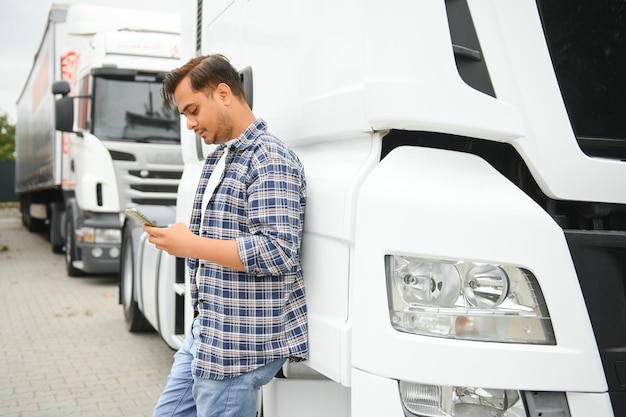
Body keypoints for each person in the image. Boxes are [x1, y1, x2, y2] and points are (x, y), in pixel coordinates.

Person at [144, 54, 308, 417]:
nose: (189, 124)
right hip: (209, 330)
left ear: (222, 93)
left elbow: (277, 252)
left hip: (238, 347)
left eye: (192, 110)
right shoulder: (222, 157)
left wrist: (190, 245)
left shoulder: (270, 159)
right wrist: (184, 238)